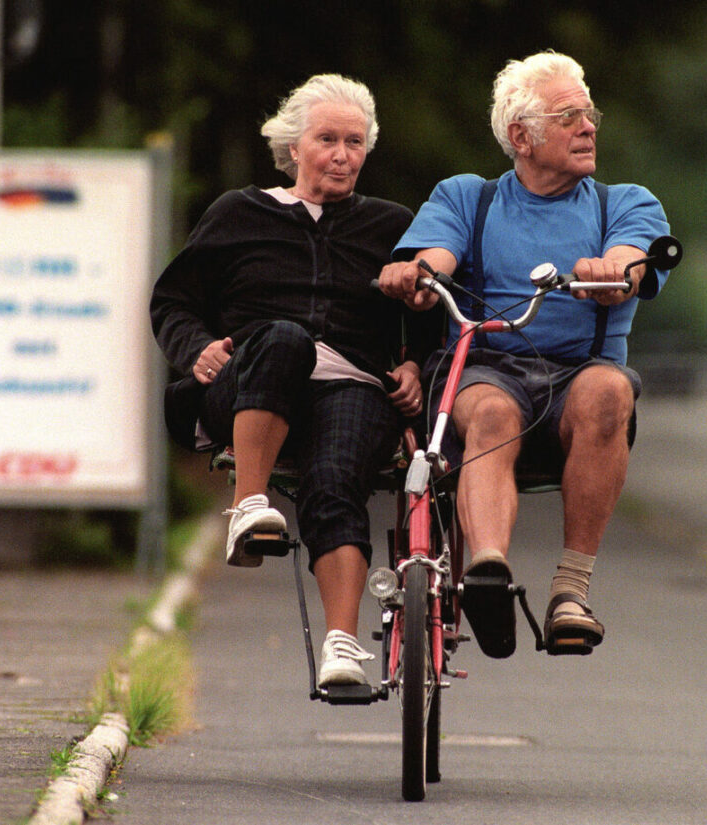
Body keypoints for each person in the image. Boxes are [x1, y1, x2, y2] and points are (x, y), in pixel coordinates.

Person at [378, 51, 672, 659]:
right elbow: (436, 256)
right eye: (569, 116)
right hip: (486, 369)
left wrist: (612, 271)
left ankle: (571, 591)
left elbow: (630, 262)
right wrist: (417, 273)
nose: (589, 126)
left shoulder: (625, 202)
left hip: (579, 376)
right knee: (488, 412)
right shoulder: (467, 197)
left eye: (589, 113)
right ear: (521, 136)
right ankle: (487, 571)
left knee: (611, 390)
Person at [150, 74, 437, 687]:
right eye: (327, 139)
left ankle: (342, 646)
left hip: (353, 388)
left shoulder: (392, 225)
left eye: (355, 142)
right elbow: (173, 301)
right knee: (285, 338)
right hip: (251, 376)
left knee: (335, 483)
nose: (341, 154)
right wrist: (195, 349)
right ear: (294, 147)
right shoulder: (238, 212)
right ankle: (247, 507)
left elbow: (432, 317)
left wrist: (415, 365)